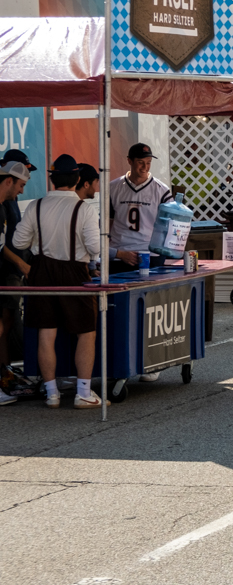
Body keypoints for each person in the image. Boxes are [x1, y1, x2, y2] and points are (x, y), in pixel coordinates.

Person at [11, 155, 101, 408]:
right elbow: (95, 247)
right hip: (74, 272)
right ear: (77, 179)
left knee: (45, 334)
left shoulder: (36, 206)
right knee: (86, 333)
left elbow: (18, 243)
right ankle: (83, 392)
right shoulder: (83, 209)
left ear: (52, 178)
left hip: (41, 272)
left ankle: (52, 393)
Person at [106, 143, 173, 266]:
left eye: (148, 162)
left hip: (150, 253)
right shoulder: (113, 187)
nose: (145, 167)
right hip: (120, 253)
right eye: (140, 162)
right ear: (129, 161)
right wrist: (113, 251)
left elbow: (169, 224)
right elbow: (107, 221)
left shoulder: (162, 190)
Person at [0, 159, 31, 403]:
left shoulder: (3, 205)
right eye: (20, 185)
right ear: (8, 180)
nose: (22, 191)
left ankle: (4, 372)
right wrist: (20, 264)